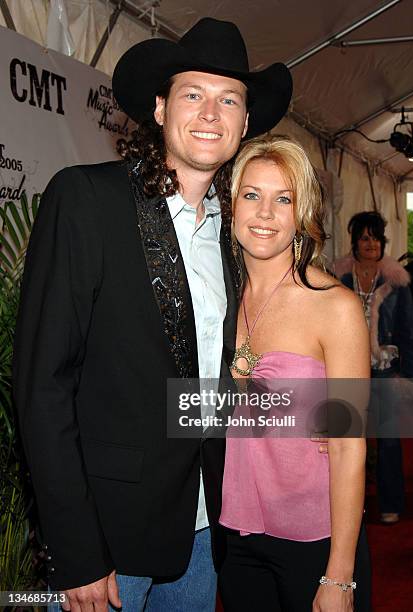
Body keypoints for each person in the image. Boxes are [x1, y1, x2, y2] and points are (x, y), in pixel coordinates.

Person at [12, 17, 292, 612]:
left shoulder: (239, 238)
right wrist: (76, 550)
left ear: (245, 125)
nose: (211, 113)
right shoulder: (85, 200)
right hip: (107, 542)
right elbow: (42, 388)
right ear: (161, 109)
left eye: (229, 99)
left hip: (202, 533)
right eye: (194, 94)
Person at [218, 135, 371, 611]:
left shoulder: (335, 308)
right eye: (252, 195)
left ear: (301, 214)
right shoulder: (217, 297)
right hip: (235, 535)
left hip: (316, 539)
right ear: (231, 207)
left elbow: (348, 446)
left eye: (282, 199)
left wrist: (339, 576)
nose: (265, 213)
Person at [334, 211, 413, 524]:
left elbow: (409, 333)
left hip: (384, 370)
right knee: (346, 438)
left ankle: (391, 502)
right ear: (355, 242)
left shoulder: (397, 282)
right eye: (365, 238)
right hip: (347, 369)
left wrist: (409, 377)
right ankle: (347, 506)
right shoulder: (338, 279)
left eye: (376, 238)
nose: (371, 244)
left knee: (389, 440)